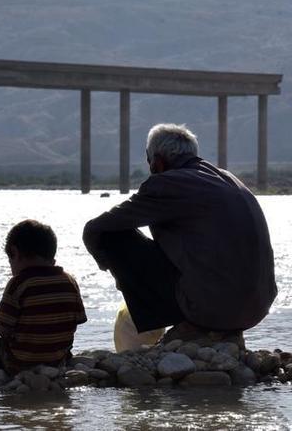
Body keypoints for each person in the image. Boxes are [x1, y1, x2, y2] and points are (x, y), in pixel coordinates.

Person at [83, 123, 277, 347]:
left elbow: (96, 229)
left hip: (213, 308)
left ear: (157, 162)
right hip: (257, 308)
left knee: (111, 236)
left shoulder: (167, 183)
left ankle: (193, 324)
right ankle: (221, 329)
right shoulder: (229, 179)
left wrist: (113, 271)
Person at [0, 219, 87, 374]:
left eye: (10, 260)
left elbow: (3, 329)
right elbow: (78, 320)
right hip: (57, 360)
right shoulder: (69, 281)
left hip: (18, 362)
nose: (11, 268)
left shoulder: (19, 283)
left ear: (15, 253)